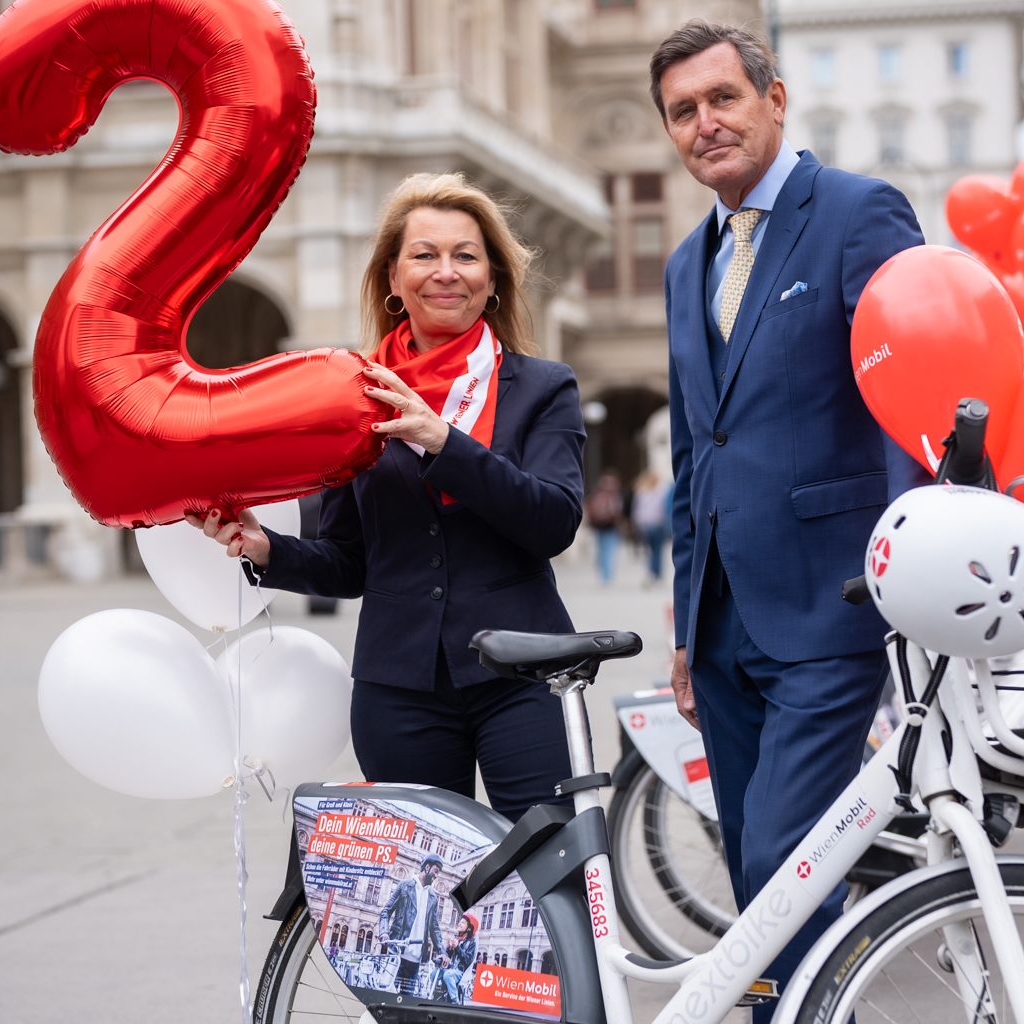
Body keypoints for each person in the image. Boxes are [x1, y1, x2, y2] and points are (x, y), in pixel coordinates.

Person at [650, 20, 929, 1011]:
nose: (705, 123)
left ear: (774, 99)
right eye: (683, 112)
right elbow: (694, 455)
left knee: (783, 852)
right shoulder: (687, 265)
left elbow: (910, 397)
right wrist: (686, 621)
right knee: (754, 862)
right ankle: (801, 1003)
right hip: (724, 623)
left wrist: (912, 570)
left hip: (831, 604)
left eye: (722, 98)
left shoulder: (857, 213)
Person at [189, 172, 585, 821]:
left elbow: (553, 522)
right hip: (400, 687)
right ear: (394, 280)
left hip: (522, 676)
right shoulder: (352, 398)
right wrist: (265, 549)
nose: (445, 272)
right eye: (424, 255)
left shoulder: (542, 387)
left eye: (465, 255)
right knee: (417, 899)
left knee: (545, 871)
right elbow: (348, 563)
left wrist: (443, 441)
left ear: (491, 279)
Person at [377, 854, 446, 995]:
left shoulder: (433, 897)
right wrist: (384, 932)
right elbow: (386, 911)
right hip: (396, 954)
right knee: (387, 997)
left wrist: (442, 951)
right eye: (435, 871)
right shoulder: (404, 886)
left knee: (406, 1002)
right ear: (427, 867)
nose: (436, 876)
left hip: (415, 961)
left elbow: (435, 928)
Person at [629, 469, 672, 585]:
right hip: (658, 523)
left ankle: (651, 573)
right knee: (658, 550)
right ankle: (658, 574)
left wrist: (637, 523)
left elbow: (637, 509)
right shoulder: (661, 491)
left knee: (649, 551)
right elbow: (664, 508)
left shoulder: (641, 491)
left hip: (645, 524)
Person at [583, 470, 625, 584]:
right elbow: (618, 512)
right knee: (608, 550)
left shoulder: (596, 495)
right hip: (610, 526)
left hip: (600, 526)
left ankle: (604, 573)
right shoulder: (614, 496)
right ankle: (606, 574)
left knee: (602, 550)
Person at [439, 912, 478, 1004]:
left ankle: (455, 1001)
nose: (460, 923)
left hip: (460, 972)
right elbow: (448, 957)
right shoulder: (457, 939)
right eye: (460, 921)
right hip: (451, 969)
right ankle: (437, 995)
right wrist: (449, 948)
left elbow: (467, 960)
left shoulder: (472, 943)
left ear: (469, 928)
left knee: (448, 975)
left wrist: (457, 947)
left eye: (463, 922)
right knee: (434, 973)